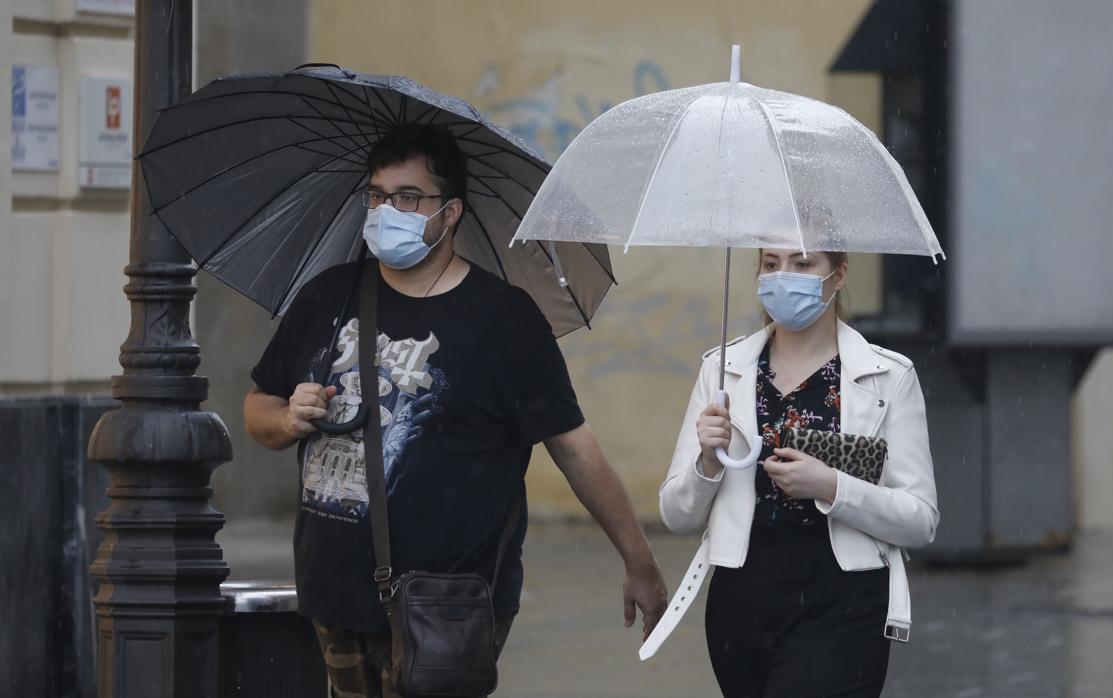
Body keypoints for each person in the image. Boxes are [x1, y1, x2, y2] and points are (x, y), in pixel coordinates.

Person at [244, 124, 667, 696]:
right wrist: (286, 418)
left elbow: (572, 445)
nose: (386, 210)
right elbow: (258, 408)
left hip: (447, 603)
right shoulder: (329, 295)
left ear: (450, 213)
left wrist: (638, 559)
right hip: (333, 587)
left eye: (408, 197)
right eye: (376, 195)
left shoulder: (504, 320)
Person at [659, 249, 938, 697]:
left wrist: (832, 487)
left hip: (844, 593)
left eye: (802, 264)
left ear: (840, 274)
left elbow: (920, 519)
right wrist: (707, 462)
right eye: (770, 265)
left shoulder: (888, 377)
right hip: (743, 596)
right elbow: (677, 515)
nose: (783, 277)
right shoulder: (723, 370)